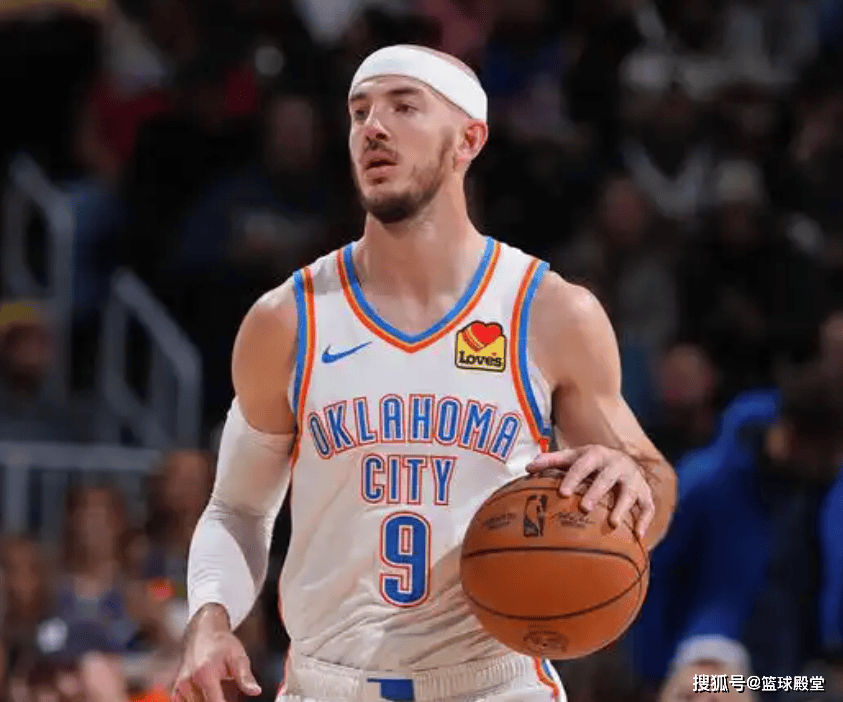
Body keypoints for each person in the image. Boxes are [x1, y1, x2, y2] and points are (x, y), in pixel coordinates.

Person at [172, 45, 678, 702]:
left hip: (495, 685)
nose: (373, 128)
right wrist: (209, 621)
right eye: (359, 112)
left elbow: (653, 488)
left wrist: (630, 483)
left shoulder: (550, 313)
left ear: (469, 139)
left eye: (404, 106)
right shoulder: (287, 320)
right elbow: (236, 507)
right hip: (328, 683)